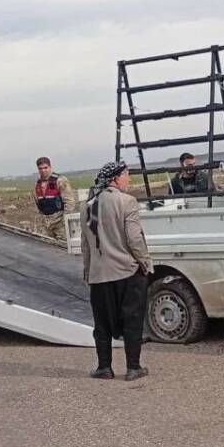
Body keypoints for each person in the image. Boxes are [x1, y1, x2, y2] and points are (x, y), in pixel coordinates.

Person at [82, 161, 154, 381]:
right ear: (115, 178)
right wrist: (145, 262)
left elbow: (86, 245)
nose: (128, 179)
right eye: (126, 174)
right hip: (126, 272)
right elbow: (134, 239)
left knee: (102, 324)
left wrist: (88, 271)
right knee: (132, 320)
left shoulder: (87, 206)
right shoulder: (126, 201)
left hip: (99, 275)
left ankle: (104, 367)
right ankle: (133, 367)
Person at [33, 157, 77, 239]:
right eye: (40, 168)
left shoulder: (60, 180)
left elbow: (69, 202)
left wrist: (65, 220)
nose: (43, 170)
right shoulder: (37, 184)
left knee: (63, 244)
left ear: (50, 167)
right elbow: (37, 204)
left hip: (60, 222)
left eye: (45, 168)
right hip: (46, 223)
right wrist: (39, 220)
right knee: (46, 244)